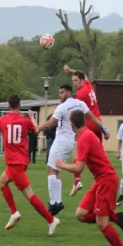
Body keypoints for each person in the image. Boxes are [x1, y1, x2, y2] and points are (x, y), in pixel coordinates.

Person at [0, 95, 60, 235]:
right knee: (2, 182)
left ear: (8, 106)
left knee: (29, 195)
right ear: (19, 106)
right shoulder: (24, 120)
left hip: (15, 164)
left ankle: (51, 220)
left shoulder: (2, 120)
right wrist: (32, 116)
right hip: (20, 162)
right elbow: (37, 130)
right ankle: (14, 212)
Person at [56, 109, 123, 246]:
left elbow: (78, 168)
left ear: (72, 124)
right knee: (81, 215)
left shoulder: (85, 137)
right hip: (101, 181)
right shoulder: (85, 135)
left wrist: (61, 165)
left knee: (101, 223)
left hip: (107, 181)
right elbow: (79, 159)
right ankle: (116, 218)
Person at [38, 84, 109, 216]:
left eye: (62, 92)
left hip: (61, 141)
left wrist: (37, 129)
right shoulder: (80, 104)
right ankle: (57, 201)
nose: (60, 95)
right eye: (59, 93)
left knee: (51, 169)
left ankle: (54, 203)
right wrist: (104, 130)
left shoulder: (62, 107)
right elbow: (93, 117)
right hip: (72, 141)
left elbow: (50, 124)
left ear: (69, 92)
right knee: (56, 170)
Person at [63, 65, 104, 197]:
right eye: (72, 81)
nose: (74, 84)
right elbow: (84, 74)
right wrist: (72, 71)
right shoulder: (88, 85)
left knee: (77, 149)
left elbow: (77, 111)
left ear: (81, 81)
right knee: (99, 155)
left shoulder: (81, 94)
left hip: (90, 124)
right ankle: (102, 179)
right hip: (98, 123)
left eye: (76, 81)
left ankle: (77, 180)